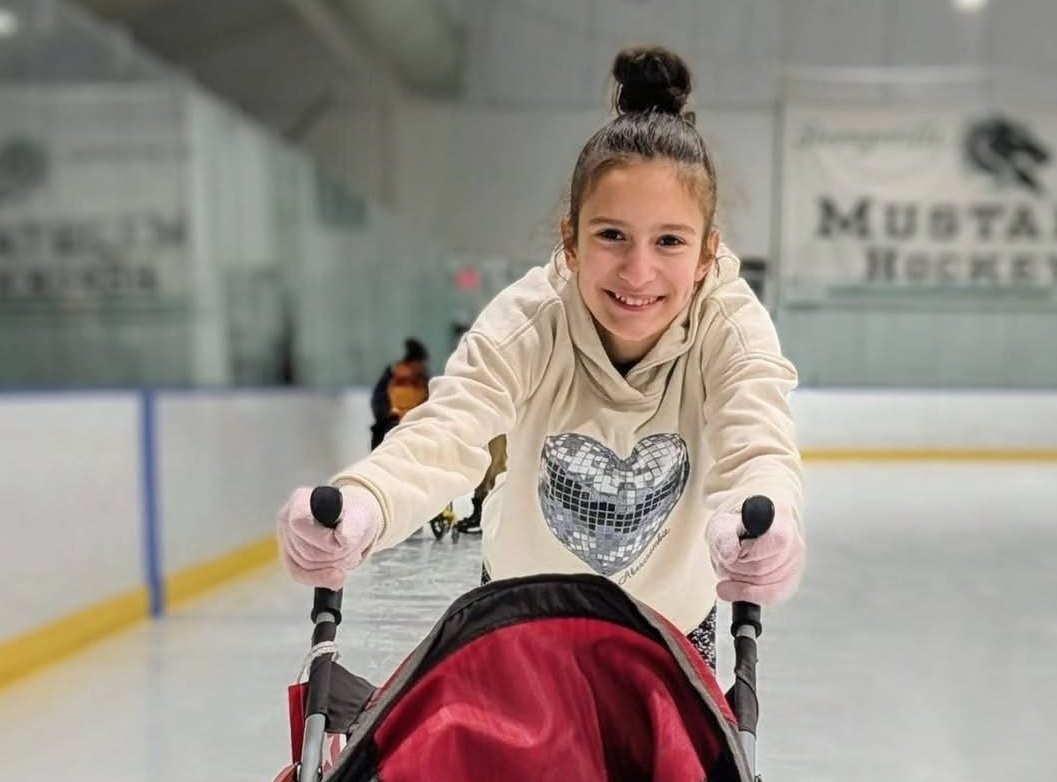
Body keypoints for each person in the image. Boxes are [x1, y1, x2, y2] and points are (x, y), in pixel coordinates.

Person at [278, 45, 804, 666]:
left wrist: (762, 521)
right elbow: (449, 431)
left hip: (672, 633)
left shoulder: (731, 328)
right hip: (518, 622)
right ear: (572, 241)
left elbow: (757, 439)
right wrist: (365, 501)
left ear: (706, 255)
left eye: (669, 241)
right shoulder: (529, 320)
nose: (639, 272)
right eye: (611, 235)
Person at [368, 336, 430, 449]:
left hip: (415, 430)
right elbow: (379, 404)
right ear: (413, 363)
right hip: (393, 429)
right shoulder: (393, 378)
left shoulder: (422, 381)